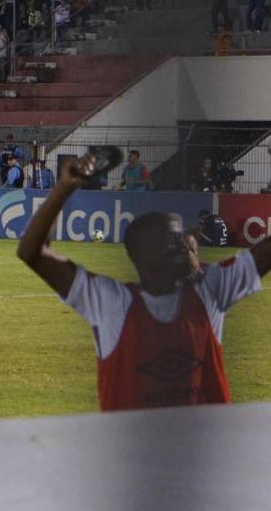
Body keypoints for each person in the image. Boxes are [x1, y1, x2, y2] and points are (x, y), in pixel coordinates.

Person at [17, 155, 271, 411]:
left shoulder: (209, 290)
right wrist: (64, 188)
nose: (185, 245)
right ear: (145, 255)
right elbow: (32, 253)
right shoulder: (113, 304)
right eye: (173, 240)